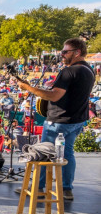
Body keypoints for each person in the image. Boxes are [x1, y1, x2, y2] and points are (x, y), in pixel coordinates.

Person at [17, 37, 95, 200]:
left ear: (77, 52)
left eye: (65, 52)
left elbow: (54, 96)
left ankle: (38, 188)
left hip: (58, 122)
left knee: (44, 154)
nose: (62, 55)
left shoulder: (68, 71)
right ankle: (66, 189)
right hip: (77, 120)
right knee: (67, 153)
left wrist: (29, 88)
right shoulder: (89, 70)